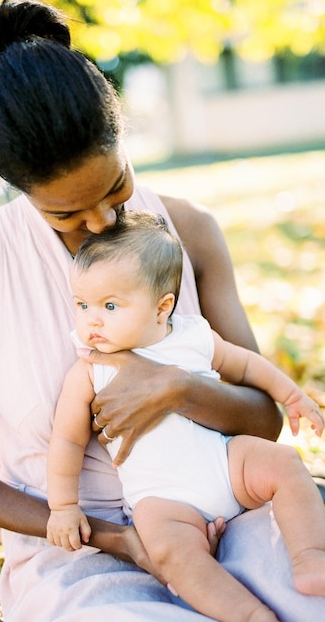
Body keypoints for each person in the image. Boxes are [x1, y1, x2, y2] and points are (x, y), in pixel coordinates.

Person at [0, 0, 325, 620]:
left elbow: (262, 420)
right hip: (76, 551)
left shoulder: (190, 231)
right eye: (66, 213)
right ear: (19, 189)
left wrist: (173, 387)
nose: (102, 221)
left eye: (117, 187)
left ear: (122, 137)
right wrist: (112, 538)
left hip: (223, 508)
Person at [46, 210, 325, 622]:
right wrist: (63, 506)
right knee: (171, 553)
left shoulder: (193, 336)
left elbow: (248, 367)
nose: (92, 319)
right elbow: (67, 440)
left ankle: (310, 558)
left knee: (284, 462)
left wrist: (292, 395)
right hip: (164, 498)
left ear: (163, 308)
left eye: (109, 305)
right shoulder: (90, 370)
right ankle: (248, 614)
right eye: (82, 304)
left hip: (225, 464)